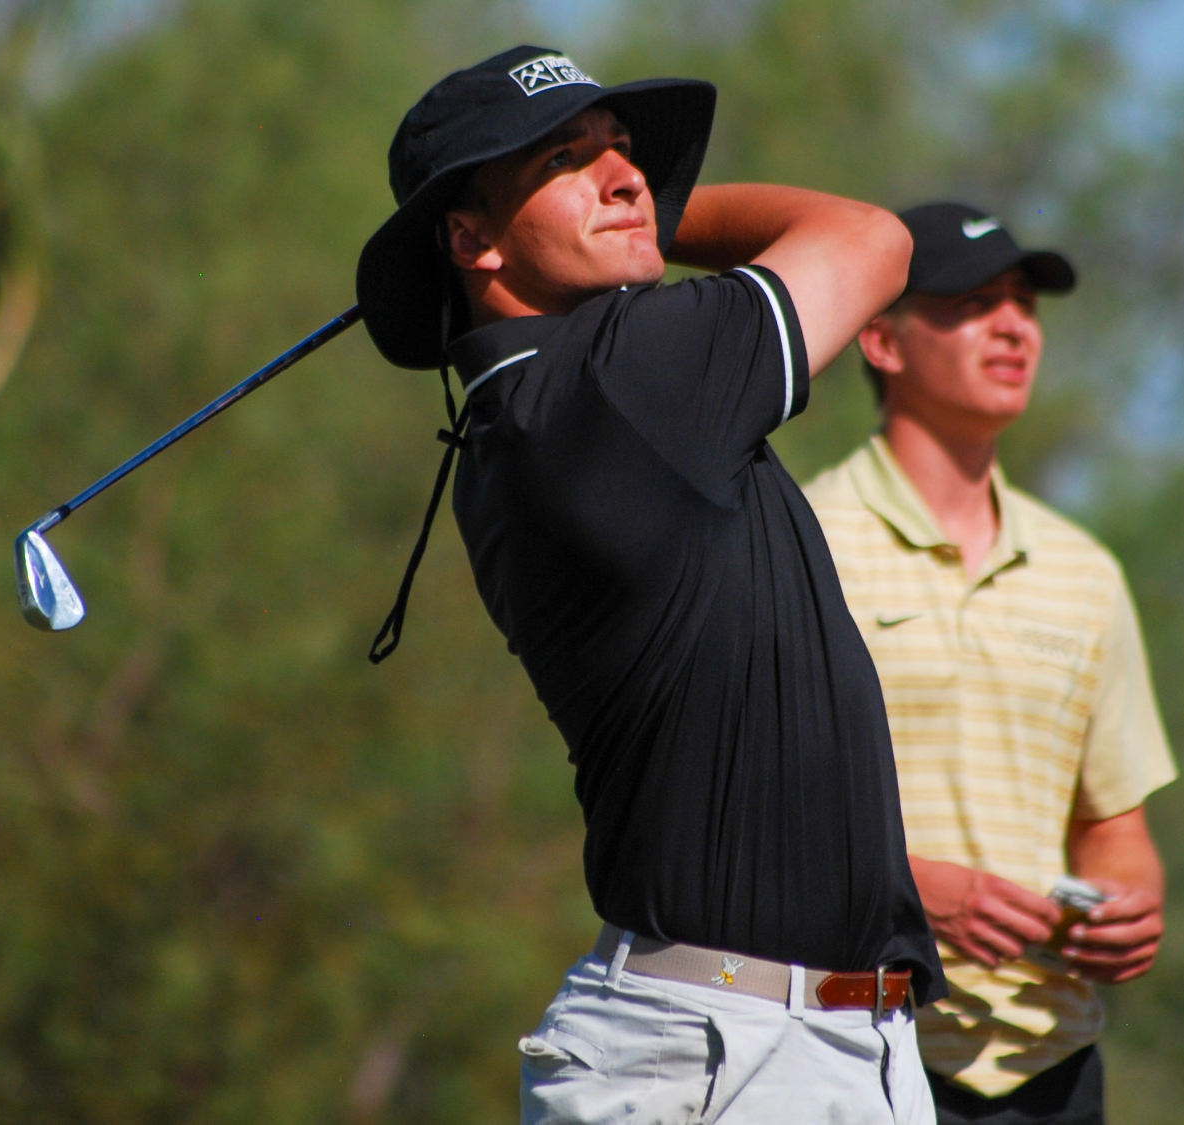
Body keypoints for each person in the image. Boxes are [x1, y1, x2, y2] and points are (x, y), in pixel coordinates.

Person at [355, 46, 943, 1124]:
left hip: (802, 1042)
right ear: (469, 238)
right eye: (568, 161)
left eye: (624, 155)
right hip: (724, 1056)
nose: (627, 179)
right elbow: (872, 239)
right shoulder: (621, 381)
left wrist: (618, 219)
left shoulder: (546, 406)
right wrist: (661, 224)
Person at [800, 203, 1178, 1125]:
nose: (1013, 325)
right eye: (973, 302)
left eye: (1023, 304)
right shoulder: (800, 542)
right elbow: (746, 813)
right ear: (881, 341)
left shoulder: (1085, 572)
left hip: (1051, 1067)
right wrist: (910, 891)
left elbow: (1112, 824)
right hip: (849, 1046)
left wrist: (1131, 898)